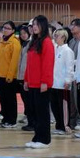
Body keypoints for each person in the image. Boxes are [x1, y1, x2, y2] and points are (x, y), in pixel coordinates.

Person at [24, 15, 55, 149]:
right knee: (35, 112)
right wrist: (26, 79)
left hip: (41, 84)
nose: (34, 27)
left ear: (43, 26)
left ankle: (44, 139)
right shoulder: (34, 42)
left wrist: (45, 82)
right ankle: (37, 137)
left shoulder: (47, 42)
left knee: (42, 113)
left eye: (37, 24)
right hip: (32, 83)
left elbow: (48, 64)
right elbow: (29, 64)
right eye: (33, 25)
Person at [0, 21, 22, 129]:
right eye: (4, 28)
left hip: (10, 77)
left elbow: (14, 61)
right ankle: (5, 119)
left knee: (10, 100)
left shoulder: (15, 42)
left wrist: (10, 76)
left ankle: (12, 120)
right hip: (1, 75)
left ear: (13, 30)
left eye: (8, 28)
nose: (5, 30)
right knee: (3, 99)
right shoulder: (1, 41)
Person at [51, 29, 75, 136]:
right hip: (54, 83)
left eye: (57, 35)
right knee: (55, 106)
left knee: (63, 106)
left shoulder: (67, 51)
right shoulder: (55, 49)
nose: (55, 37)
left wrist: (68, 80)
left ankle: (65, 126)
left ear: (63, 37)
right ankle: (59, 126)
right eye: (55, 35)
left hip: (62, 84)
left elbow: (70, 67)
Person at [17, 25, 33, 129]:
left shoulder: (31, 43)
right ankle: (27, 115)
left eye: (25, 33)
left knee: (28, 99)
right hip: (22, 75)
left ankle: (31, 119)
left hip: (27, 76)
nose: (23, 35)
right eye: (21, 34)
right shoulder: (23, 44)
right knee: (24, 98)